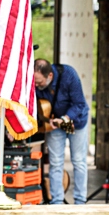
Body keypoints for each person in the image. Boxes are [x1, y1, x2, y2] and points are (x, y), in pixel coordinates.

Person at [34, 59, 89, 205]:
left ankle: (80, 201)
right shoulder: (35, 83)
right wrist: (45, 120)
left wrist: (65, 119)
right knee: (55, 162)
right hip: (54, 123)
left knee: (78, 161)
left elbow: (79, 104)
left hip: (76, 121)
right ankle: (56, 201)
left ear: (50, 76)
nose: (36, 86)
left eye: (39, 82)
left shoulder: (69, 75)